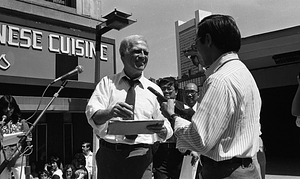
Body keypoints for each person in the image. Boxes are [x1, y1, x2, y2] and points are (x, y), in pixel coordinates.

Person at [160, 14, 262, 179]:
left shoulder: (218, 80)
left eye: (196, 43)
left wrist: (172, 116)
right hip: (248, 169)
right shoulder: (243, 73)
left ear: (207, 40)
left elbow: (200, 140)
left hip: (224, 172)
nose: (197, 50)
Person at [85, 35, 173, 179]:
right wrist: (110, 112)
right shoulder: (107, 83)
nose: (143, 56)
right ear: (123, 55)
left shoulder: (153, 89)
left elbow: (166, 125)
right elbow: (92, 116)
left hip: (141, 157)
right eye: (137, 51)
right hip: (110, 155)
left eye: (146, 52)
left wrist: (163, 130)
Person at [153, 77, 192, 179]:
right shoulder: (155, 108)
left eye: (169, 88)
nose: (166, 91)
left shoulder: (185, 109)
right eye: (163, 89)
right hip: (160, 152)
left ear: (176, 91)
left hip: (180, 152)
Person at [0, 95, 31, 179]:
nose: (8, 110)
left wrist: (25, 140)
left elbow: (29, 142)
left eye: (11, 107)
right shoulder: (1, 123)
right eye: (6, 107)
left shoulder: (22, 122)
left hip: (18, 157)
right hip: (2, 158)